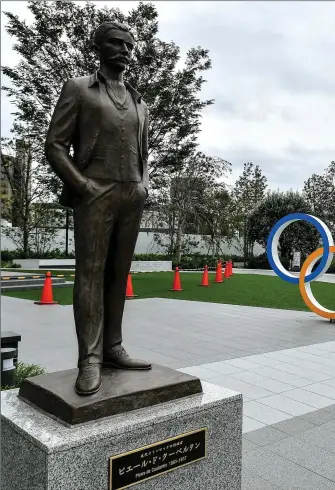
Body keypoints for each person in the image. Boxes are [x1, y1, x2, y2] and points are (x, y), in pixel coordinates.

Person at [45, 21, 151, 395]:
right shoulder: (79, 89)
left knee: (118, 274)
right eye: (117, 43)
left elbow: (145, 152)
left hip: (131, 195)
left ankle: (113, 347)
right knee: (90, 274)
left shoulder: (140, 101)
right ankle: (89, 359)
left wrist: (143, 184)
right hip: (95, 191)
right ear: (100, 47)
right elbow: (55, 145)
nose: (125, 50)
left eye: (129, 45)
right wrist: (84, 186)